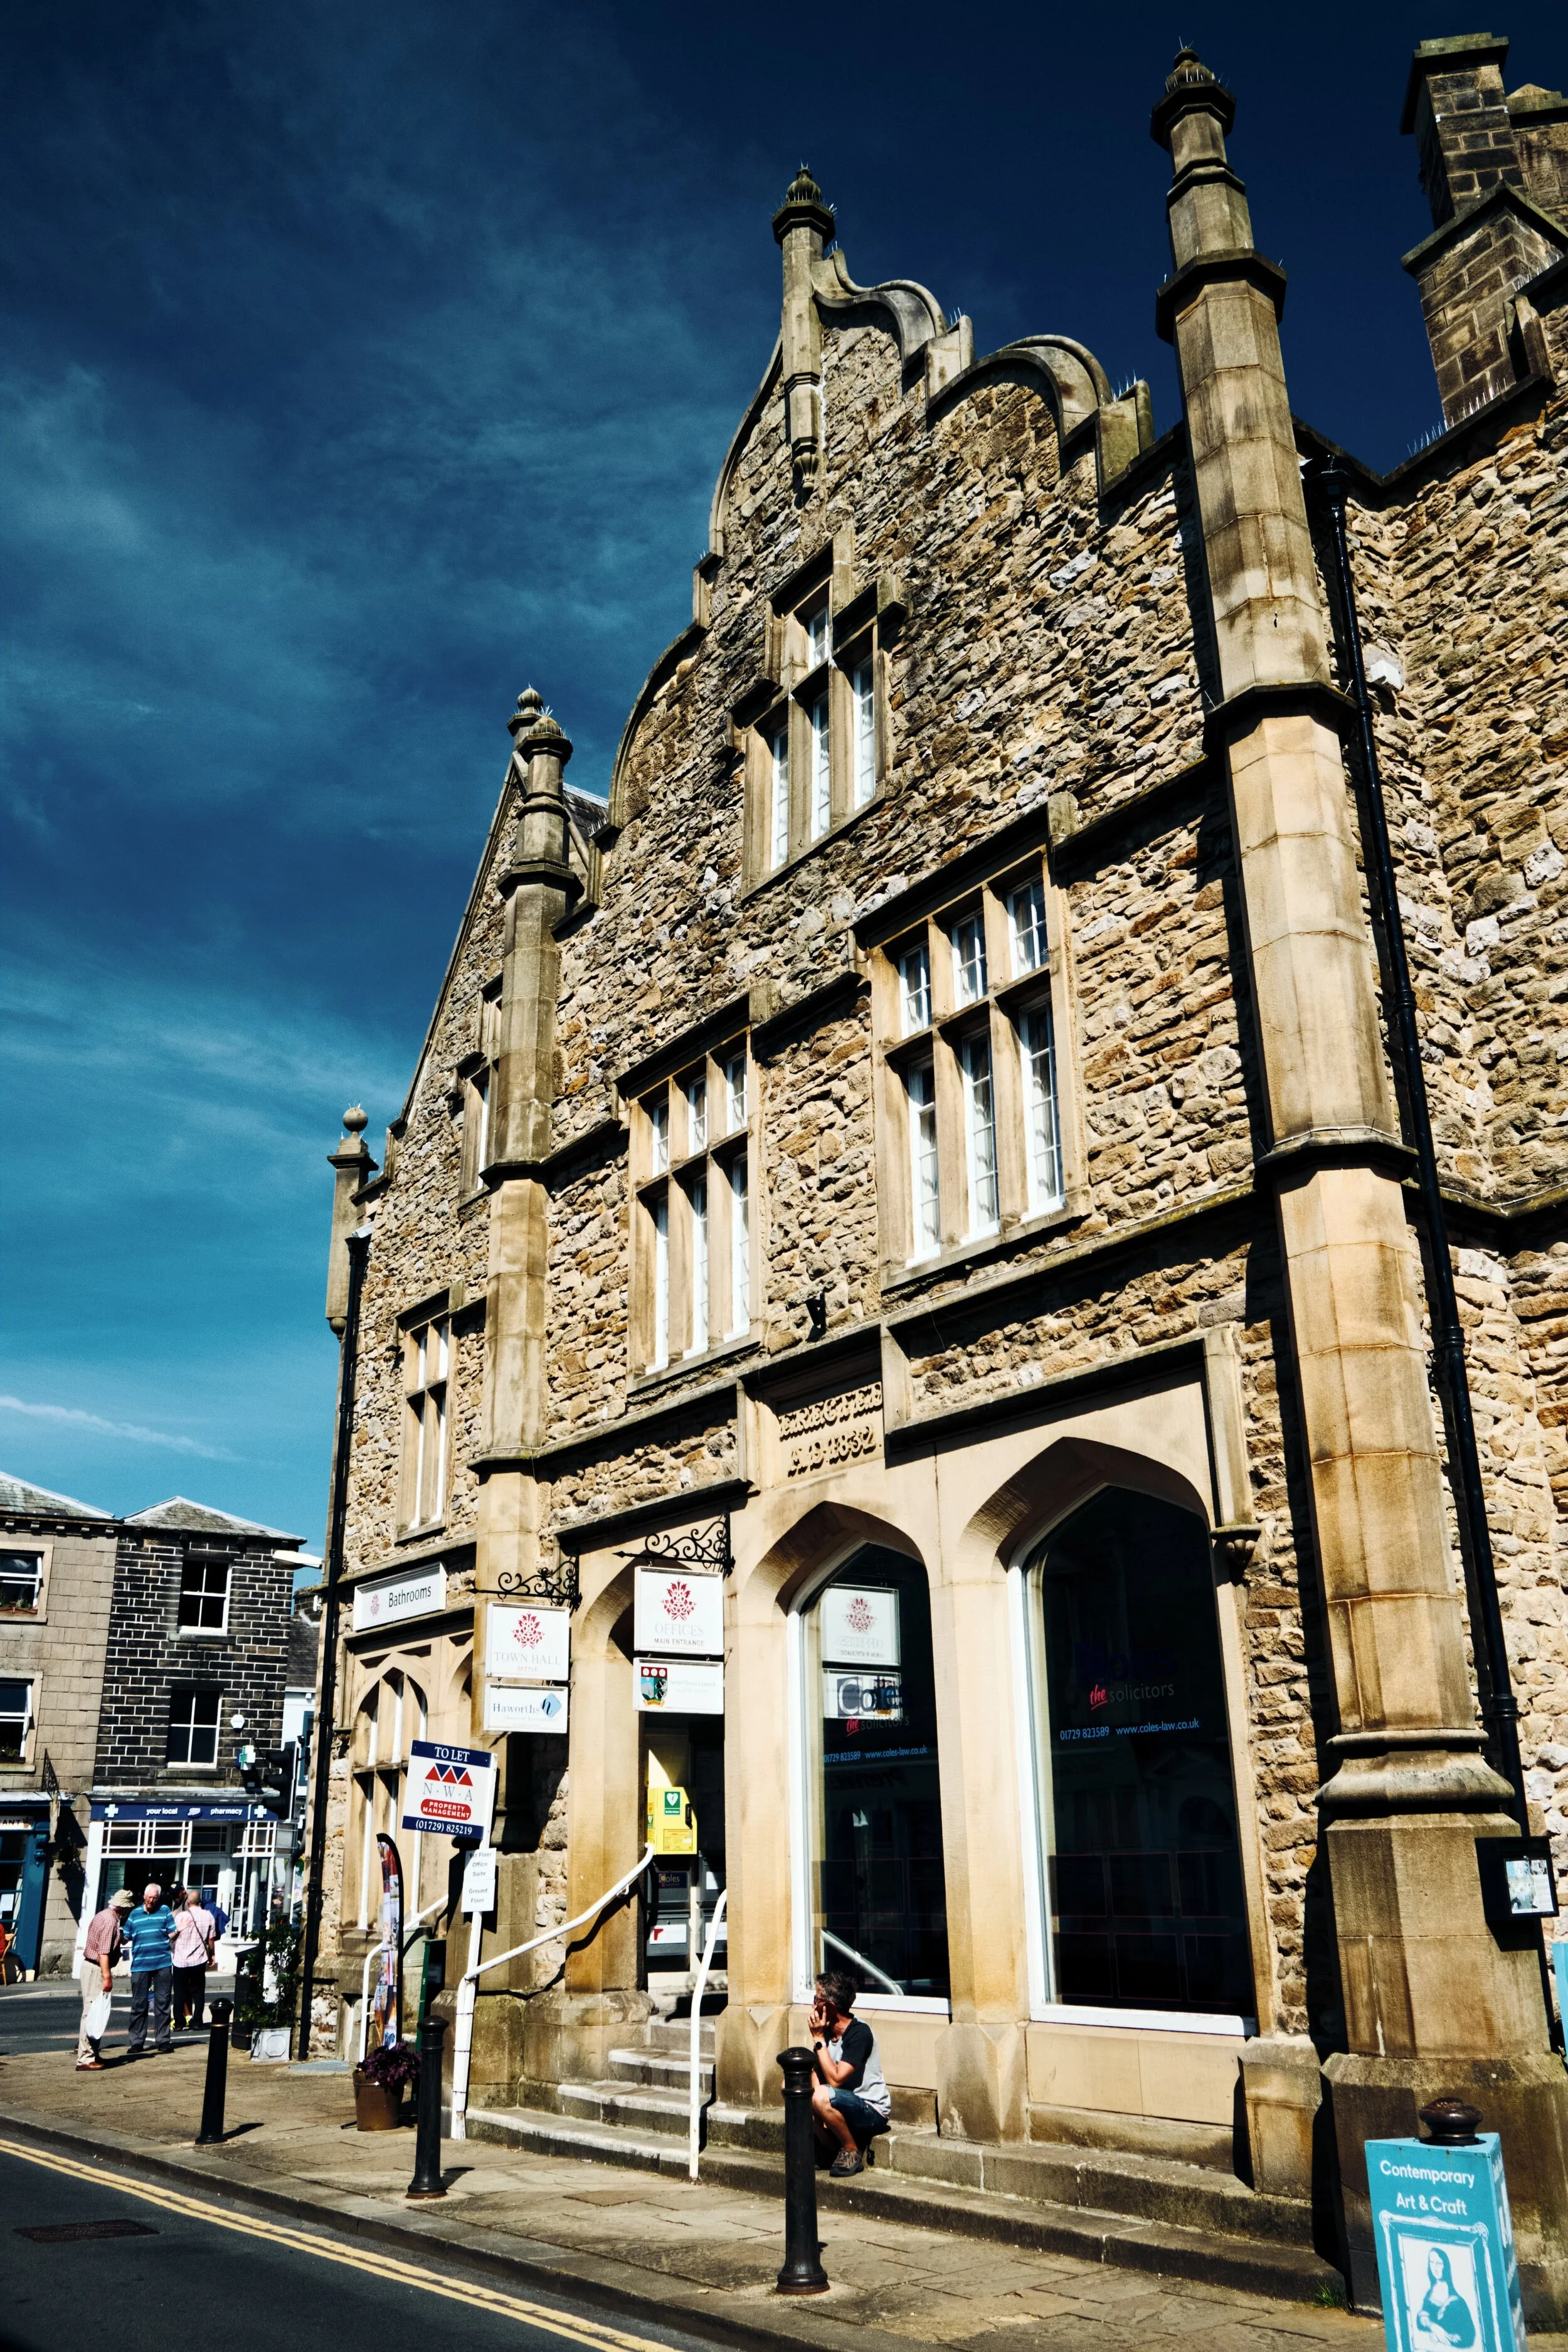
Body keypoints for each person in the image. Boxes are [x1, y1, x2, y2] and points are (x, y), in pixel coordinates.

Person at [807, 1968, 891, 2177]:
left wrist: (818, 2040)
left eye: (817, 2000)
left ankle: (851, 2150)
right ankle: (830, 2148)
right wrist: (817, 2112)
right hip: (840, 2105)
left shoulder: (859, 2033)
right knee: (792, 2090)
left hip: (870, 2110)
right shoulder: (826, 2031)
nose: (813, 2005)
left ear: (831, 2007)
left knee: (818, 2095)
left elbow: (835, 2080)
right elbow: (816, 2074)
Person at [75, 1888, 135, 2070]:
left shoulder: (102, 1915)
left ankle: (92, 2053)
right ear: (124, 1909)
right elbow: (103, 1953)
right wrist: (107, 1977)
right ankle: (85, 2058)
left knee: (93, 2011)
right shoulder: (111, 1922)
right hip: (96, 1968)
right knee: (92, 2012)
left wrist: (121, 1939)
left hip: (89, 1966)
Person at [122, 1881, 177, 2057]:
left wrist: (178, 1933)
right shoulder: (134, 1914)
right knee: (139, 2004)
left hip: (162, 1963)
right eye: (149, 1897)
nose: (152, 1901)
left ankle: (163, 2040)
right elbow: (126, 1936)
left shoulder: (165, 1911)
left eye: (155, 1898)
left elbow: (171, 1933)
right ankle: (137, 2042)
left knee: (163, 2003)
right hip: (140, 1964)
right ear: (144, 1897)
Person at [171, 1887, 217, 2031]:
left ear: (188, 1902)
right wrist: (212, 1954)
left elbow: (172, 1936)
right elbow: (211, 1939)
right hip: (199, 1959)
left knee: (179, 1992)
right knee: (198, 1992)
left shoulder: (181, 1916)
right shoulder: (208, 1915)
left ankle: (179, 2022)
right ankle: (197, 2021)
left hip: (180, 1960)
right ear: (200, 1902)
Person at [1412, 2247, 1478, 2348]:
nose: (1434, 2267)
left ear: (1446, 2266)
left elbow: (1468, 2337)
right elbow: (1421, 2318)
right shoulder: (1430, 2294)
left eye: (1439, 2264)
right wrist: (1434, 2327)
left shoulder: (1457, 2302)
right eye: (1432, 2263)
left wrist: (1443, 2338)